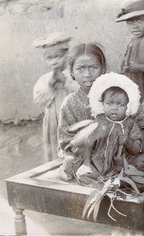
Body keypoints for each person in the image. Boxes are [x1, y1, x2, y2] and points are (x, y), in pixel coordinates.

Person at [57, 43, 107, 181]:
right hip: (82, 153)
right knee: (71, 163)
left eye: (93, 68)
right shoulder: (70, 102)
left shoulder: (113, 95)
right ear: (72, 72)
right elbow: (64, 139)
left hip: (109, 150)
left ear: (103, 69)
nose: (87, 75)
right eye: (80, 69)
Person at [33, 32, 78, 162]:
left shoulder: (73, 74)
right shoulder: (45, 79)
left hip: (71, 119)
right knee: (54, 148)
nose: (54, 61)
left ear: (67, 55)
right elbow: (39, 99)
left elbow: (81, 92)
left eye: (58, 56)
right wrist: (50, 85)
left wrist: (65, 82)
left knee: (72, 148)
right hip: (53, 121)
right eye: (49, 58)